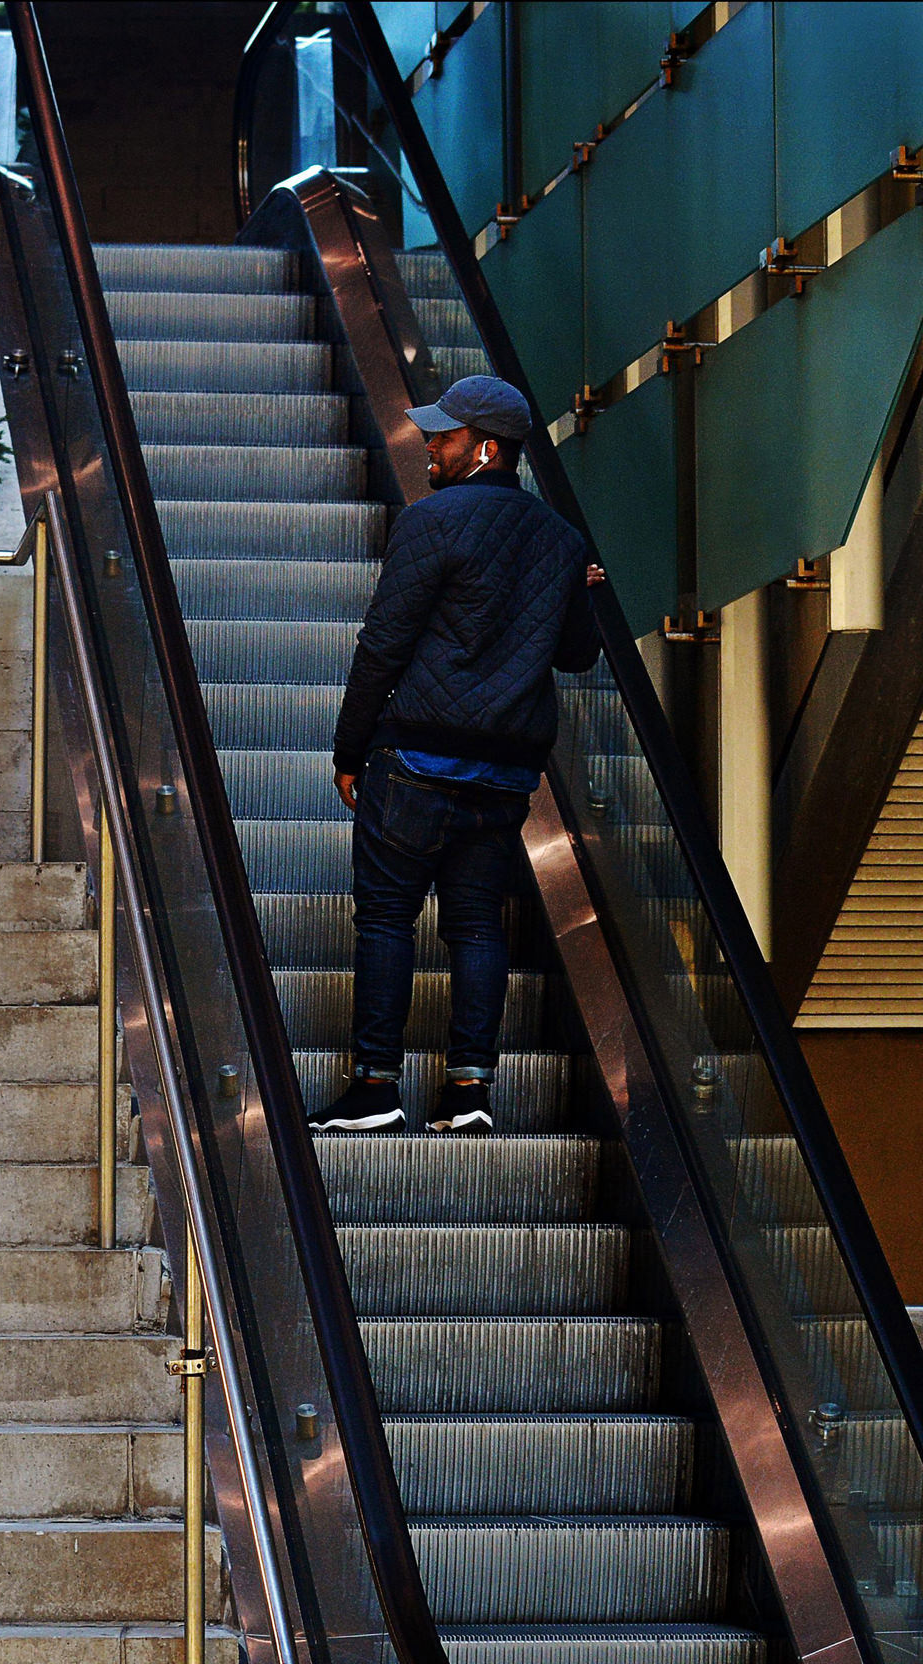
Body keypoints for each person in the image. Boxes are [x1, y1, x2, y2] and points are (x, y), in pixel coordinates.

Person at [308, 374, 603, 1137]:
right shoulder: (563, 541)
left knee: (385, 918)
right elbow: (574, 655)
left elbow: (384, 643)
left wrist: (349, 747)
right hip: (505, 772)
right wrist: (583, 589)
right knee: (476, 926)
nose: (428, 445)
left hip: (418, 760)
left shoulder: (434, 522)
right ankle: (468, 1093)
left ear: (485, 448)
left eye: (442, 436)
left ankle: (377, 1088)